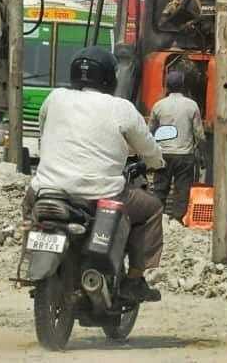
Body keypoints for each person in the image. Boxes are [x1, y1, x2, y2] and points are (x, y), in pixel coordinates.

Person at [26, 46, 167, 302]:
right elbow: (149, 149)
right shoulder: (122, 108)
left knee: (29, 206)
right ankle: (135, 279)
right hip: (101, 194)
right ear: (110, 78)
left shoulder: (54, 97)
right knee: (152, 209)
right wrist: (155, 161)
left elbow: (43, 131)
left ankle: (31, 252)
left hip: (48, 189)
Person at [148, 70, 205, 221]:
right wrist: (202, 153)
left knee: (160, 189)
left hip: (163, 155)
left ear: (167, 86)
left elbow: (149, 131)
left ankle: (157, 220)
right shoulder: (192, 106)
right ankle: (177, 221)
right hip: (184, 156)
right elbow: (199, 133)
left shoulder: (158, 106)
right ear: (183, 85)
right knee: (182, 190)